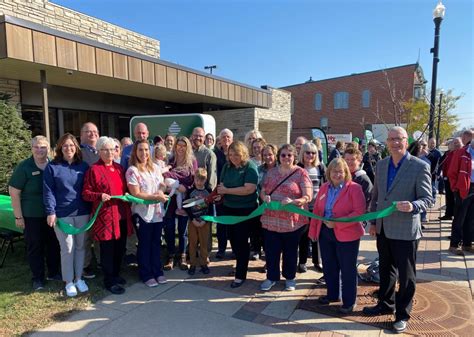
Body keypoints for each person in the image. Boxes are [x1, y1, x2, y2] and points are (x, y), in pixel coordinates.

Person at [363, 126, 432, 334]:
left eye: (399, 139)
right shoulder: (382, 165)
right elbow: (376, 196)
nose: (394, 143)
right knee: (385, 269)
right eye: (391, 139)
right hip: (383, 228)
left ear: (406, 140)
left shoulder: (419, 166)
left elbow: (428, 199)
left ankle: (402, 314)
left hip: (405, 230)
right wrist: (373, 222)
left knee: (406, 275)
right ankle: (385, 303)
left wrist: (414, 206)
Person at [308, 158, 366, 313]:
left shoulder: (355, 188)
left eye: (341, 171)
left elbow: (359, 213)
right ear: (329, 172)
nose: (337, 174)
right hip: (325, 233)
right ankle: (333, 295)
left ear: (346, 172)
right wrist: (313, 232)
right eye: (334, 171)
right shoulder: (324, 188)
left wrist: (337, 223)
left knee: (347, 269)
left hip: (348, 234)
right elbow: (317, 212)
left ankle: (349, 302)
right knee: (329, 266)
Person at [8, 136, 61, 291]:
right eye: (36, 147)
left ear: (49, 148)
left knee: (53, 244)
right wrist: (18, 216)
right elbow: (14, 192)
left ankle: (53, 272)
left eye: (43, 147)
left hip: (52, 214)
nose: (39, 150)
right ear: (31, 148)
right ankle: (38, 278)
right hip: (31, 216)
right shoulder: (24, 167)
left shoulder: (54, 164)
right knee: (35, 246)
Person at [82, 137, 133, 294]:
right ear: (98, 151)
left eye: (112, 149)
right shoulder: (94, 170)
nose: (110, 152)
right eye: (105, 149)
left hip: (121, 214)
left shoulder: (119, 169)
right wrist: (99, 196)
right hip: (106, 217)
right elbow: (86, 193)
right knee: (107, 250)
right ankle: (109, 280)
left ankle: (116, 274)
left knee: (119, 248)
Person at [43, 133, 91, 297]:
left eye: (71, 145)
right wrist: (51, 211)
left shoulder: (83, 166)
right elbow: (48, 191)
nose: (68, 148)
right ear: (60, 148)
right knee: (67, 248)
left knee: (80, 246)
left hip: (82, 212)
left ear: (76, 147)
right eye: (65, 146)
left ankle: (79, 278)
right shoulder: (52, 167)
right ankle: (68, 281)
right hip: (62, 214)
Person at [259, 144, 312, 292]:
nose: (286, 158)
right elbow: (262, 190)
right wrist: (265, 197)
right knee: (271, 251)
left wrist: (294, 202)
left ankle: (290, 278)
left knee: (290, 251)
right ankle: (271, 277)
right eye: (283, 155)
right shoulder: (271, 172)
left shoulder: (301, 173)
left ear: (295, 157)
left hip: (292, 223)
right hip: (271, 220)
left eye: (289, 155)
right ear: (279, 157)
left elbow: (308, 196)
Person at [126, 139, 170, 287]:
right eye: (140, 150)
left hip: (157, 213)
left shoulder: (156, 168)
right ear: (135, 152)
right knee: (145, 244)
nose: (144, 153)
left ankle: (157, 271)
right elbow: (136, 193)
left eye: (146, 150)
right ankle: (146, 274)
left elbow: (162, 184)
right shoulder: (132, 170)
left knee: (156, 243)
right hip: (142, 214)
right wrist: (155, 197)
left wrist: (160, 191)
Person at [217, 141, 258, 288]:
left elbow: (249, 189)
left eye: (237, 154)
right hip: (229, 208)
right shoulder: (227, 167)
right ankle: (240, 265)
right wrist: (219, 194)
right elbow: (221, 186)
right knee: (232, 239)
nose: (233, 157)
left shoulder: (250, 167)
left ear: (243, 153)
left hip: (245, 210)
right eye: (231, 154)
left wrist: (227, 191)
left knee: (241, 242)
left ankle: (240, 275)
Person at [163, 136, 197, 271]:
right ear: (175, 146)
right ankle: (171, 255)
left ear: (187, 147)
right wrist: (178, 183)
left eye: (184, 145)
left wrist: (185, 187)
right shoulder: (170, 161)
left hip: (185, 201)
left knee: (183, 230)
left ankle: (183, 255)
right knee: (169, 229)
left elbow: (194, 183)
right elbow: (164, 176)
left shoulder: (192, 163)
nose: (181, 148)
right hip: (170, 201)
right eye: (179, 145)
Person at [120, 122, 151, 267]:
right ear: (134, 134)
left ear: (148, 134)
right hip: (132, 194)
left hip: (150, 197)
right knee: (133, 226)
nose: (141, 135)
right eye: (138, 133)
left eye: (143, 133)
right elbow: (122, 171)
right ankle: (132, 254)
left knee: (147, 231)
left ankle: (146, 257)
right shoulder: (126, 150)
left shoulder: (151, 149)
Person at [297, 142, 325, 273]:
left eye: (313, 153)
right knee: (303, 236)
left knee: (316, 236)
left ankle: (316, 261)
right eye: (307, 152)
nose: (310, 155)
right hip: (302, 208)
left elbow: (325, 185)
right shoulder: (297, 168)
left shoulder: (320, 168)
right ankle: (302, 262)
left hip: (317, 208)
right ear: (302, 153)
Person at [447, 130, 474, 255]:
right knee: (459, 218)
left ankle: (467, 244)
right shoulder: (462, 152)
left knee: (471, 217)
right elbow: (452, 172)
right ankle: (454, 244)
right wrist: (455, 188)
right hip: (463, 188)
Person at [80, 122, 100, 279]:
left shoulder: (101, 151)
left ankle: (100, 261)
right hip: (85, 201)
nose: (92, 134)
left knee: (99, 233)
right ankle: (85, 266)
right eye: (88, 132)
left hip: (101, 202)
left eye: (95, 131)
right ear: (81, 135)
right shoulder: (78, 153)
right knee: (86, 237)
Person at [184, 168, 212, 275]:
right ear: (194, 179)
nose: (199, 182)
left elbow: (210, 207)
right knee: (193, 243)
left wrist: (205, 220)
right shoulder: (191, 191)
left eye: (201, 180)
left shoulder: (208, 191)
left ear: (205, 180)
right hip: (193, 222)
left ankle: (204, 263)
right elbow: (186, 206)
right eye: (197, 179)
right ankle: (193, 264)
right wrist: (192, 219)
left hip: (204, 222)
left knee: (204, 243)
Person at [214, 128, 234, 258]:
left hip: (234, 194)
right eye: (223, 137)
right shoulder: (215, 154)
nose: (226, 139)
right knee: (221, 223)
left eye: (228, 137)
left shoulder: (236, 153)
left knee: (233, 222)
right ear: (219, 140)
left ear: (232, 140)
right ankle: (221, 249)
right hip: (219, 193)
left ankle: (234, 248)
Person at [439, 138, 462, 220]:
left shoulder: (461, 153)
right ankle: (448, 214)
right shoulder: (449, 153)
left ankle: (456, 216)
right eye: (454, 143)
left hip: (456, 180)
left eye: (457, 143)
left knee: (456, 198)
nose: (455, 144)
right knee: (449, 197)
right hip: (447, 178)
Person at [427, 138, 442, 203]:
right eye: (431, 142)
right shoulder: (425, 151)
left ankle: (433, 200)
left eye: (433, 143)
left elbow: (440, 164)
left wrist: (438, 173)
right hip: (425, 172)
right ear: (428, 143)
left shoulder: (438, 153)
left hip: (433, 173)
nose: (432, 144)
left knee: (433, 188)